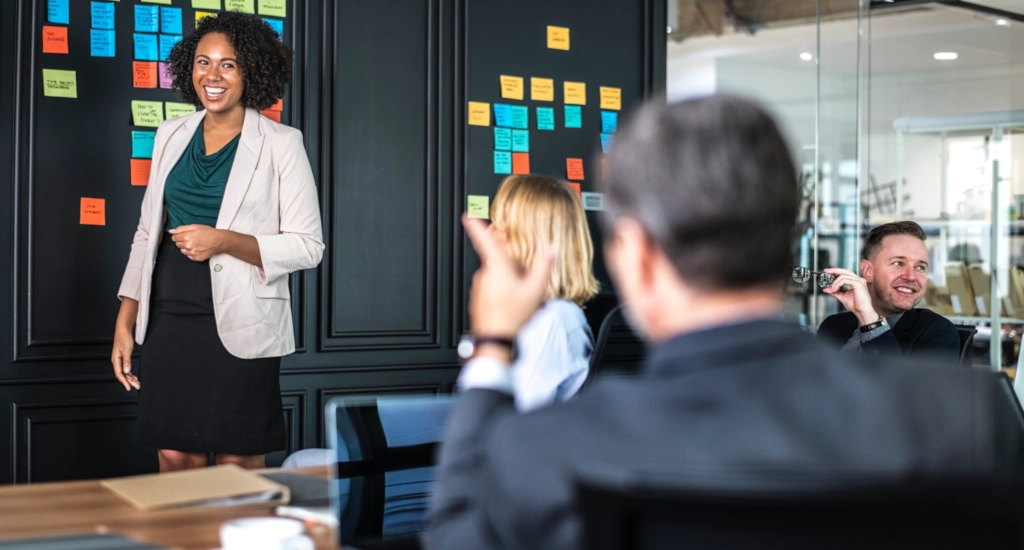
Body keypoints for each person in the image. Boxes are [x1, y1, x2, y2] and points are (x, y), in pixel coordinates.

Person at [424, 96, 1010, 550]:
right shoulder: (968, 422)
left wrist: (493, 346)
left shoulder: (552, 448)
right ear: (788, 242)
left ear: (634, 255)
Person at [111, 12, 324, 472]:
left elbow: (309, 245)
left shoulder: (282, 143)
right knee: (174, 452)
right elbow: (147, 232)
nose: (213, 75)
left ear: (252, 71)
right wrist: (125, 319)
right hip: (169, 316)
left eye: (229, 64)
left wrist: (223, 240)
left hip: (243, 322)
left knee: (238, 456)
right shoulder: (170, 134)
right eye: (204, 62)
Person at [487, 174, 599, 413]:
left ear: (532, 241)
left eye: (501, 226)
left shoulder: (551, 321)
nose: (489, 233)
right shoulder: (536, 314)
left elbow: (512, 422)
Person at [817, 221, 960, 367]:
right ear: (867, 271)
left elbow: (906, 388)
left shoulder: (938, 332)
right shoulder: (833, 326)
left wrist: (871, 321)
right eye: (898, 263)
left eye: (920, 267)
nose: (911, 276)